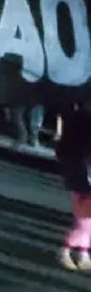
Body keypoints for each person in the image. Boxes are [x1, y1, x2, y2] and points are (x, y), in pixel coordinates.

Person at [54, 102, 91, 271]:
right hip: (83, 174)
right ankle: (66, 249)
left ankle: (83, 253)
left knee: (86, 219)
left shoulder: (78, 118)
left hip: (76, 173)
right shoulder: (84, 120)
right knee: (86, 219)